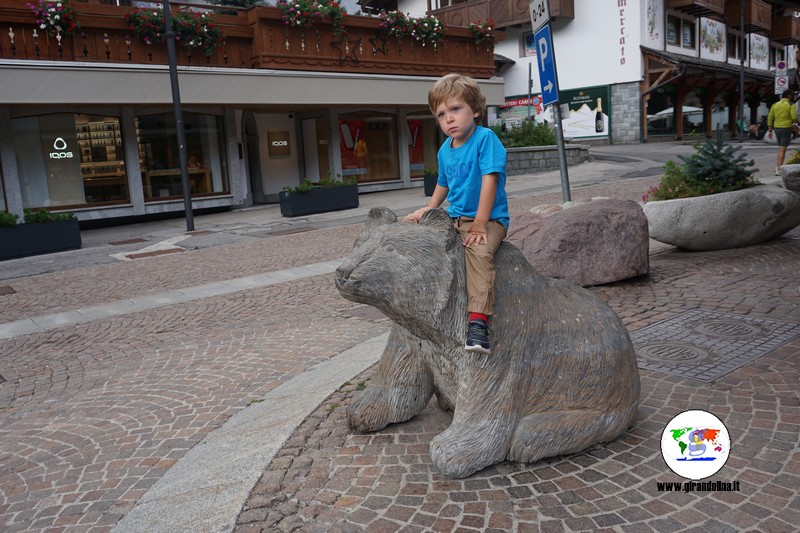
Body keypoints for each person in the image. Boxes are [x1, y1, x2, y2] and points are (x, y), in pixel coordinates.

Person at [406, 73, 509, 355]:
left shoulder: (485, 140)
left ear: (475, 110)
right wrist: (430, 208)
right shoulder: (444, 150)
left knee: (479, 255)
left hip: (489, 219)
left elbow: (490, 181)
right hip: (455, 215)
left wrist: (479, 225)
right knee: (412, 232)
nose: (448, 119)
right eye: (441, 114)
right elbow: (444, 183)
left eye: (455, 109)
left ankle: (478, 323)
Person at [767, 89, 798, 176]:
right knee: (782, 149)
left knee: (781, 148)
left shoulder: (775, 104)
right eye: (791, 95)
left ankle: (778, 167)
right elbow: (794, 117)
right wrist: (797, 123)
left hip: (777, 128)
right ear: (789, 95)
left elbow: (770, 117)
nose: (792, 97)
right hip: (786, 128)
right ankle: (778, 169)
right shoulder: (791, 104)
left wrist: (770, 130)